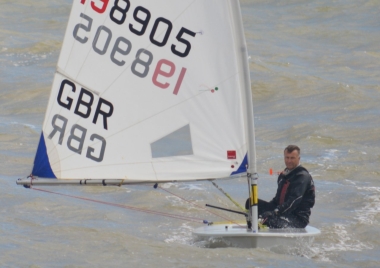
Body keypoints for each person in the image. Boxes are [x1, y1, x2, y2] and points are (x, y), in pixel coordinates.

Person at [246, 145, 315, 228]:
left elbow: (293, 202)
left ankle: (261, 227)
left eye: (292, 158)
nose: (289, 161)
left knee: (268, 218)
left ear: (298, 159)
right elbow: (277, 200)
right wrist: (268, 210)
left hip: (297, 219)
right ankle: (252, 227)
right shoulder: (283, 176)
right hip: (281, 212)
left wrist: (275, 212)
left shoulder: (302, 177)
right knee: (251, 203)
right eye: (287, 157)